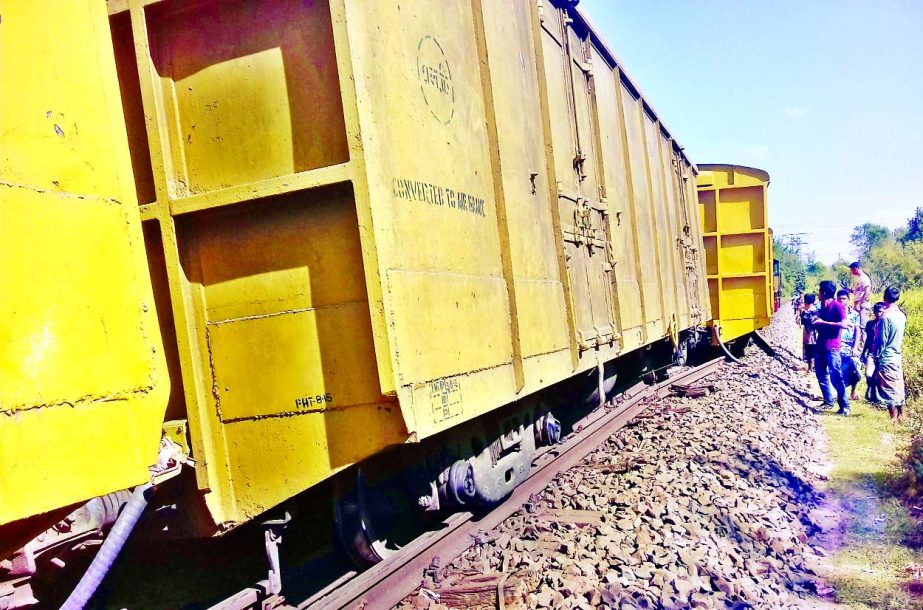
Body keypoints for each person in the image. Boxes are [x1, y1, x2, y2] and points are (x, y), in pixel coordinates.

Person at [813, 280, 850, 415]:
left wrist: (824, 322)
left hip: (832, 348)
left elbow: (844, 324)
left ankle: (845, 406)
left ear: (823, 293)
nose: (818, 294)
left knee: (836, 377)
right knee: (821, 375)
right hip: (820, 347)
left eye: (819, 291)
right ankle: (828, 401)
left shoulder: (837, 306)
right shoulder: (822, 307)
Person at [875, 286, 907, 422]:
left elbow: (881, 341)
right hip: (897, 356)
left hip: (886, 357)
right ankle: (902, 416)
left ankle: (893, 418)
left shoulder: (885, 317)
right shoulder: (901, 316)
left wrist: (876, 357)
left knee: (888, 388)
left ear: (884, 298)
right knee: (898, 385)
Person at [836, 289, 862, 400]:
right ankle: (840, 394)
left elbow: (858, 331)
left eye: (844, 298)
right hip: (837, 345)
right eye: (840, 298)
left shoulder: (855, 315)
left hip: (849, 345)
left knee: (856, 368)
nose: (842, 301)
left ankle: (853, 391)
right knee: (837, 370)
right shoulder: (834, 313)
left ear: (848, 299)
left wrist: (855, 347)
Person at [861, 302, 885, 403]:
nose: (878, 313)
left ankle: (875, 396)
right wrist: (864, 352)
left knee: (878, 376)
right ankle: (870, 390)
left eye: (880, 311)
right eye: (876, 311)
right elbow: (868, 339)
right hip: (871, 352)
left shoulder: (885, 325)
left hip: (882, 354)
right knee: (869, 374)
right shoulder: (870, 324)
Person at [799, 294, 819, 373]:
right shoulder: (812, 310)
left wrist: (802, 311)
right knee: (808, 349)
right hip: (808, 333)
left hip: (811, 333)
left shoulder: (812, 311)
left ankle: (810, 369)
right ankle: (809, 367)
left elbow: (807, 321)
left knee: (810, 350)